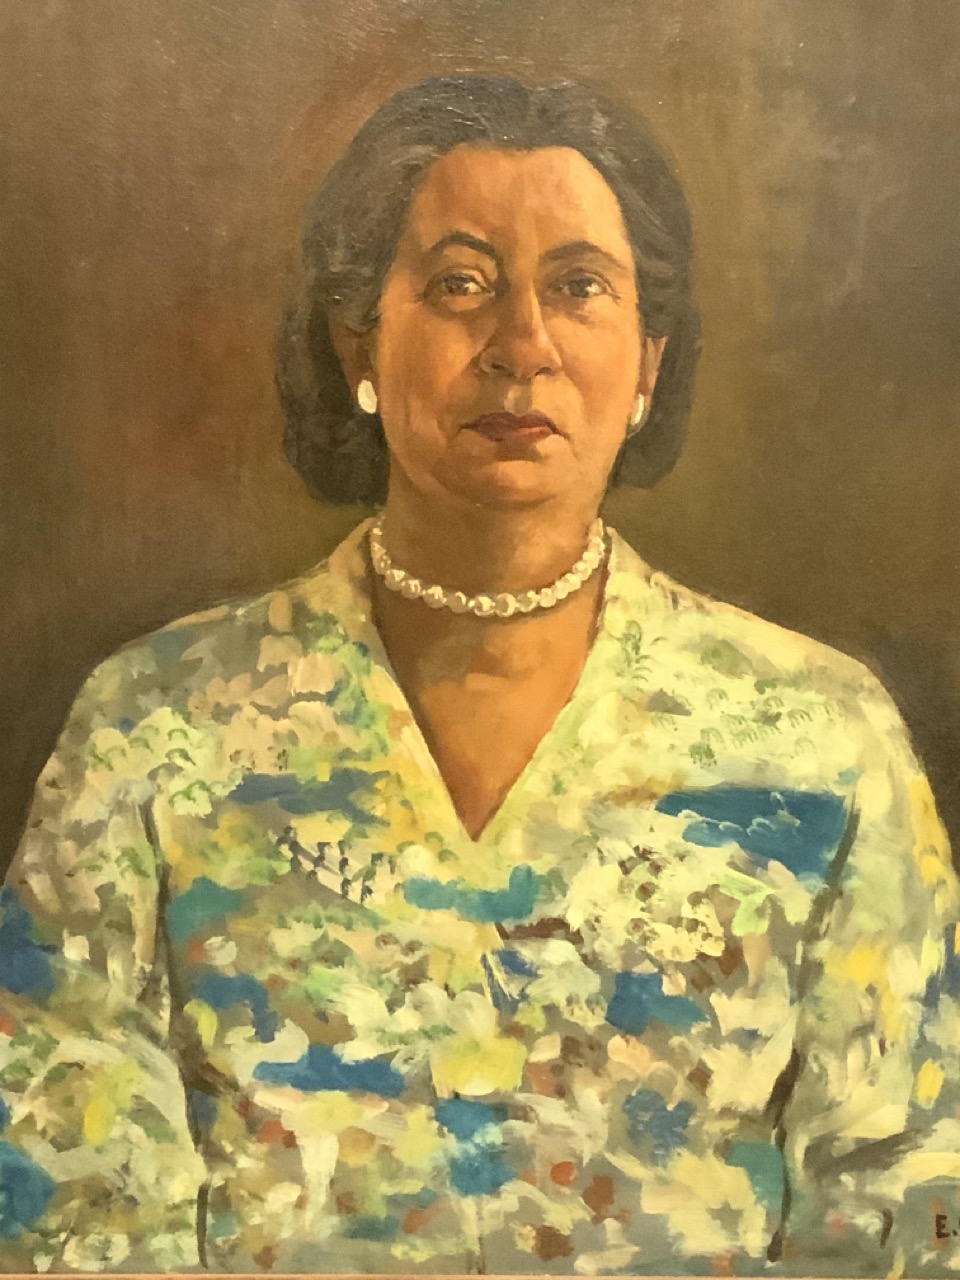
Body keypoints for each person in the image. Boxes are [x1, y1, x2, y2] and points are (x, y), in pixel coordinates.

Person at [2, 73, 959, 1275]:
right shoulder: (154, 726)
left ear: (648, 360)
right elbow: (65, 1204)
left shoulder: (820, 737)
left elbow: (912, 1198)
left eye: (580, 287)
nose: (523, 346)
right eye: (461, 283)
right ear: (360, 338)